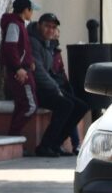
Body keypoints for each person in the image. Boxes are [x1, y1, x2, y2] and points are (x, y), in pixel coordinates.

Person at [28, 13, 89, 157]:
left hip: (48, 87)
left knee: (81, 106)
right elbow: (39, 72)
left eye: (53, 27)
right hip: (36, 88)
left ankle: (55, 144)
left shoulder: (47, 43)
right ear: (39, 25)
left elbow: (51, 70)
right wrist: (56, 88)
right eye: (47, 26)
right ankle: (45, 146)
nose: (50, 30)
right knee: (65, 105)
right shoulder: (33, 42)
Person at [0, 0, 39, 141]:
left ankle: (14, 137)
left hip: (23, 69)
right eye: (31, 10)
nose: (32, 13)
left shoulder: (20, 24)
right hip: (20, 72)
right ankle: (14, 134)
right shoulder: (14, 24)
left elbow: (22, 48)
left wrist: (30, 61)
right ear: (25, 10)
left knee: (22, 105)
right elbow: (10, 48)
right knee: (30, 106)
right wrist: (18, 68)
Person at [48, 24, 83, 152]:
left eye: (57, 34)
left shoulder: (57, 52)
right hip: (53, 86)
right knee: (68, 107)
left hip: (62, 85)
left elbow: (61, 70)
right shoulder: (48, 51)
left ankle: (75, 143)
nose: (56, 36)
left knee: (75, 106)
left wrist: (67, 85)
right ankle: (63, 143)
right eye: (54, 34)